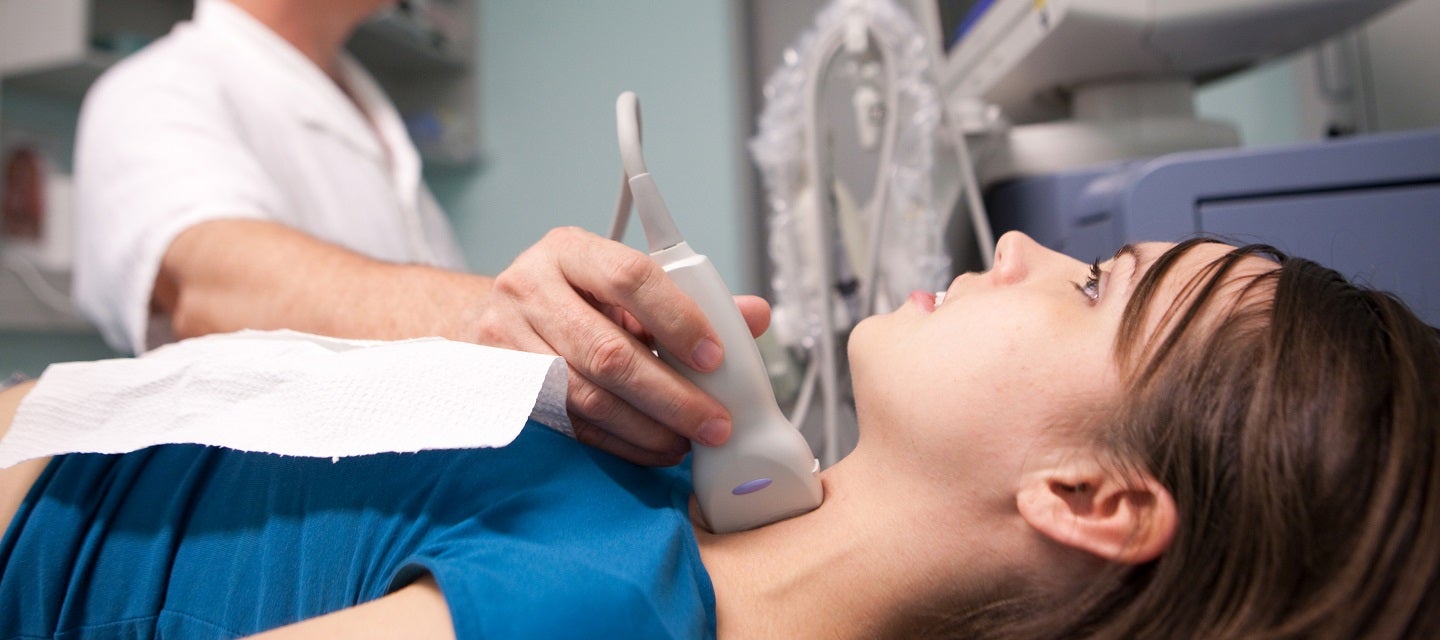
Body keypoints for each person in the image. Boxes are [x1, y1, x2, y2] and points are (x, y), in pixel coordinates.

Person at [3, 231, 1437, 638]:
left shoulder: (606, 611)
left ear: (1087, 493)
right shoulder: (696, 493)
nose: (1013, 242)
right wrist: (483, 332)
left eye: (1091, 286)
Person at [71, 0, 764, 467]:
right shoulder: (154, 92)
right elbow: (209, 287)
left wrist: (575, 337)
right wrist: (488, 319)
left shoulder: (371, 117)